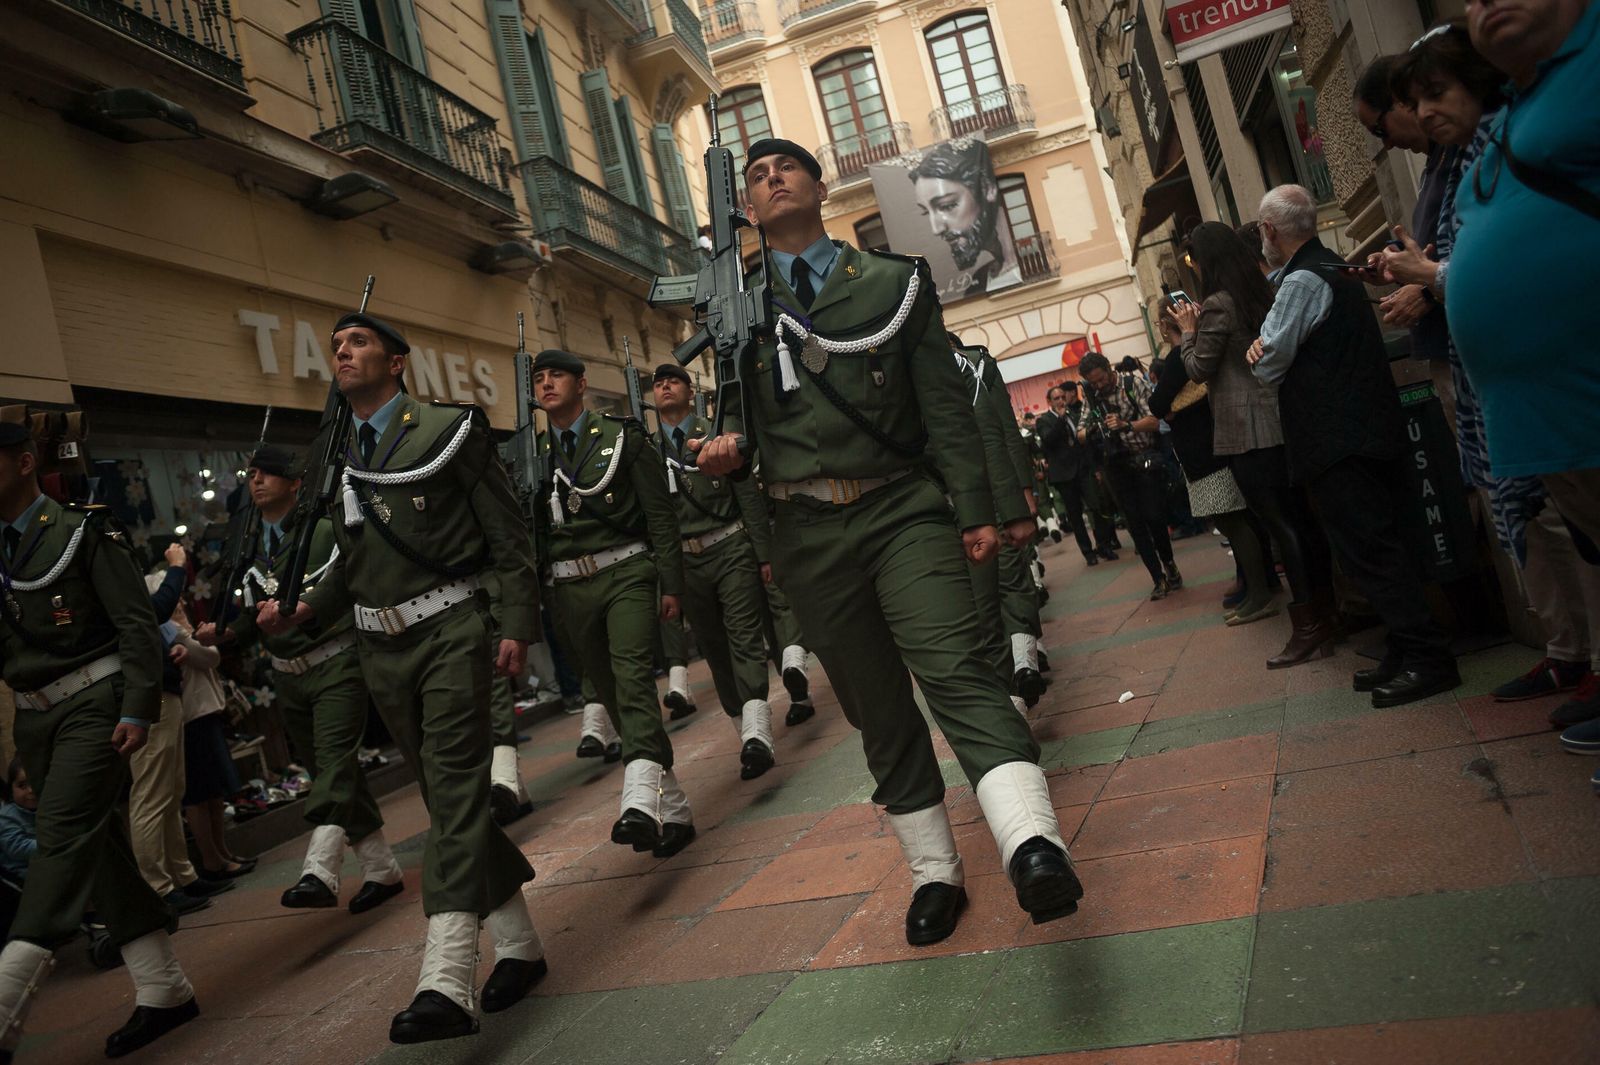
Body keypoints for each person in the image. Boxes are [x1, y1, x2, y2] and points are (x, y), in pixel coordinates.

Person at [694, 138, 1083, 947]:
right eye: (757, 176)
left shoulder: (892, 282)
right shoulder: (737, 308)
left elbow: (943, 405)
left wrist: (974, 509)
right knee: (875, 703)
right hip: (805, 531)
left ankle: (1032, 844)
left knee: (955, 667)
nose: (771, 178)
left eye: (785, 166)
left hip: (901, 508)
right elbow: (733, 421)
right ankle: (935, 870)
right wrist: (722, 452)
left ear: (818, 185)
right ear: (747, 208)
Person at [259, 310, 546, 1043]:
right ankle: (520, 946)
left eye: (358, 342)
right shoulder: (334, 451)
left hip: (451, 630)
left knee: (452, 791)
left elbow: (508, 534)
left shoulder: (448, 429)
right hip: (378, 649)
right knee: (451, 802)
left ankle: (445, 981)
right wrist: (304, 608)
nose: (343, 352)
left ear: (396, 362)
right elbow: (353, 557)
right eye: (336, 345)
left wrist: (516, 623)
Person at [0, 422, 200, 1059]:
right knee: (100, 851)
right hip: (35, 717)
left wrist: (139, 705)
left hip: (95, 703)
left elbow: (136, 623)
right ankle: (165, 989)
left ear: (24, 463)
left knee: (60, 835)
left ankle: (5, 1001)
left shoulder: (82, 529)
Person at [1250, 184, 1459, 707]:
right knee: (1383, 544)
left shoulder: (1301, 279)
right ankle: (1405, 648)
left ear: (1270, 230)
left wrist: (1260, 350)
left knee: (1371, 552)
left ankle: (1427, 657)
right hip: (1367, 427)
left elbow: (1268, 363)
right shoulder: (1333, 266)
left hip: (1336, 437)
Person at [196, 444, 404, 914]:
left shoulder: (324, 530)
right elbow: (253, 616)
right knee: (333, 772)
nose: (256, 480)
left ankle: (319, 870)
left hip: (335, 661)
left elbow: (347, 583)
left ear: (294, 483)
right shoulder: (251, 543)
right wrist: (226, 634)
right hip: (287, 675)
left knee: (333, 765)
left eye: (268, 473)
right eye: (252, 473)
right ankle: (382, 869)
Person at [530, 348, 696, 857]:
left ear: (581, 384)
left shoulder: (622, 437)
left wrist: (672, 584)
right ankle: (673, 807)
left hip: (626, 571)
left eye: (557, 374)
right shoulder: (533, 455)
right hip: (569, 588)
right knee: (610, 691)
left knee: (632, 679)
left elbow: (660, 514)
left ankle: (639, 801)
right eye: (538, 378)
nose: (546, 383)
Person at [650, 363, 787, 777]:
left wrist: (763, 554)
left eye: (673, 381)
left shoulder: (715, 434)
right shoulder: (648, 449)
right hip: (686, 560)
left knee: (744, 634)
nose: (665, 387)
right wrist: (668, 581)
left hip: (730, 546)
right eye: (658, 384)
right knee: (713, 646)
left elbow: (746, 491)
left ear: (690, 392)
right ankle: (743, 727)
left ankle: (758, 733)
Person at [1153, 300, 1278, 625]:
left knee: (1233, 523)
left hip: (1205, 452)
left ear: (1165, 324)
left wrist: (1171, 406)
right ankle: (1258, 588)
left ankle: (1260, 595)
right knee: (1238, 521)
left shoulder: (1179, 357)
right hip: (1213, 445)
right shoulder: (1192, 352)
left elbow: (1156, 403)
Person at [951, 337, 1046, 707]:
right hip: (955, 502)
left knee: (1007, 583)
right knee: (992, 597)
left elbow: (1003, 433)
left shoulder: (975, 365)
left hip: (989, 493)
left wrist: (1020, 497)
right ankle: (1021, 670)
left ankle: (1022, 670)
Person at [1352, 53, 1458, 364]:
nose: (1387, 144)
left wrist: (1427, 289)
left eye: (1380, 130)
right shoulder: (1437, 163)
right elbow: (1443, 245)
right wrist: (1398, 260)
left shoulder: (1471, 154)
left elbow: (1491, 258)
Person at [1077, 353, 1184, 599]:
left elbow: (1155, 422)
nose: (1099, 385)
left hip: (1144, 460)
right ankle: (1158, 579)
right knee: (1134, 524)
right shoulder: (1092, 396)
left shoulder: (1132, 384)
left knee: (1155, 518)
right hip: (1116, 467)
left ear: (1109, 369)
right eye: (1093, 382)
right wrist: (1094, 428)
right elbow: (1080, 434)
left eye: (1101, 379)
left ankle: (1169, 564)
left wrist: (1126, 424)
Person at [909, 139, 1021, 298]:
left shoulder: (1027, 260)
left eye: (947, 205)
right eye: (926, 212)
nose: (936, 229)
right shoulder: (979, 280)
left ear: (986, 188)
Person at [1035, 384, 1118, 566]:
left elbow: (1083, 442)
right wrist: (1060, 419)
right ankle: (1088, 552)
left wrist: (1094, 467)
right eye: (1056, 398)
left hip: (1083, 469)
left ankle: (1104, 545)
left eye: (1062, 397)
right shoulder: (1044, 421)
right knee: (1075, 516)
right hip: (1064, 476)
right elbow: (1049, 440)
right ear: (1049, 401)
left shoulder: (1074, 415)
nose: (1061, 401)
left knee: (1096, 506)